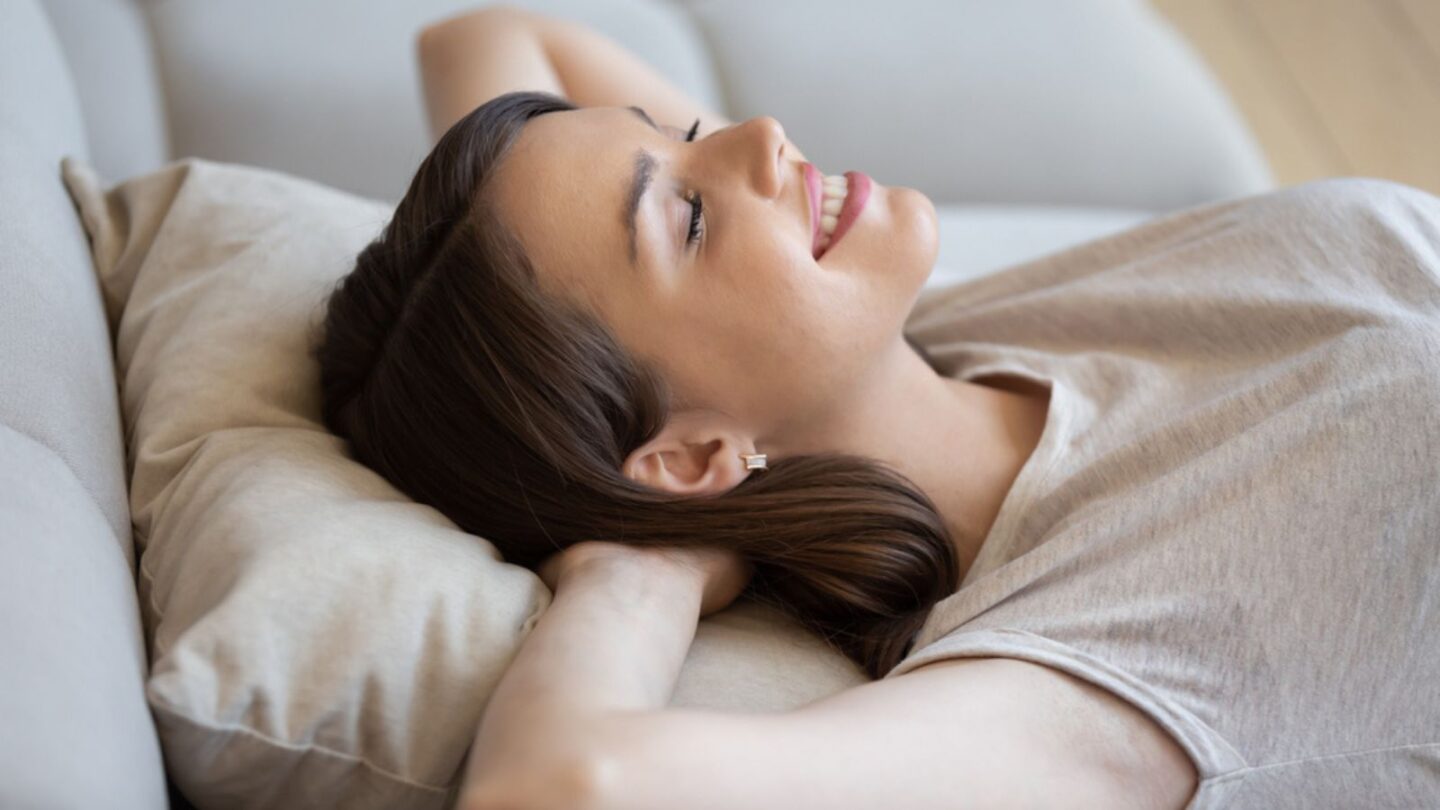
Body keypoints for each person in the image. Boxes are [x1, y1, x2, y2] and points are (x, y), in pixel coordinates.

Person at [311, 6, 1440, 809]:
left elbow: (483, 35)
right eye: (691, 219)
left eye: (687, 140)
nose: (763, 140)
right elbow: (555, 789)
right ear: (693, 452)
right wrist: (636, 567)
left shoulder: (945, 324)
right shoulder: (1106, 663)